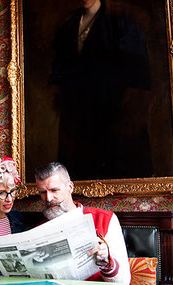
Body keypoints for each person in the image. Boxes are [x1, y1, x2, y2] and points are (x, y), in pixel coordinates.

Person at [50, 0, 153, 179]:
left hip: (112, 107)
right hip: (79, 111)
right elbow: (59, 66)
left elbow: (136, 71)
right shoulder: (69, 25)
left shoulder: (121, 22)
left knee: (116, 163)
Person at [35, 162, 131, 285]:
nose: (49, 198)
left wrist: (107, 261)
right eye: (42, 192)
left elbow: (122, 282)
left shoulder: (104, 219)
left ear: (70, 187)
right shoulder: (39, 229)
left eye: (54, 190)